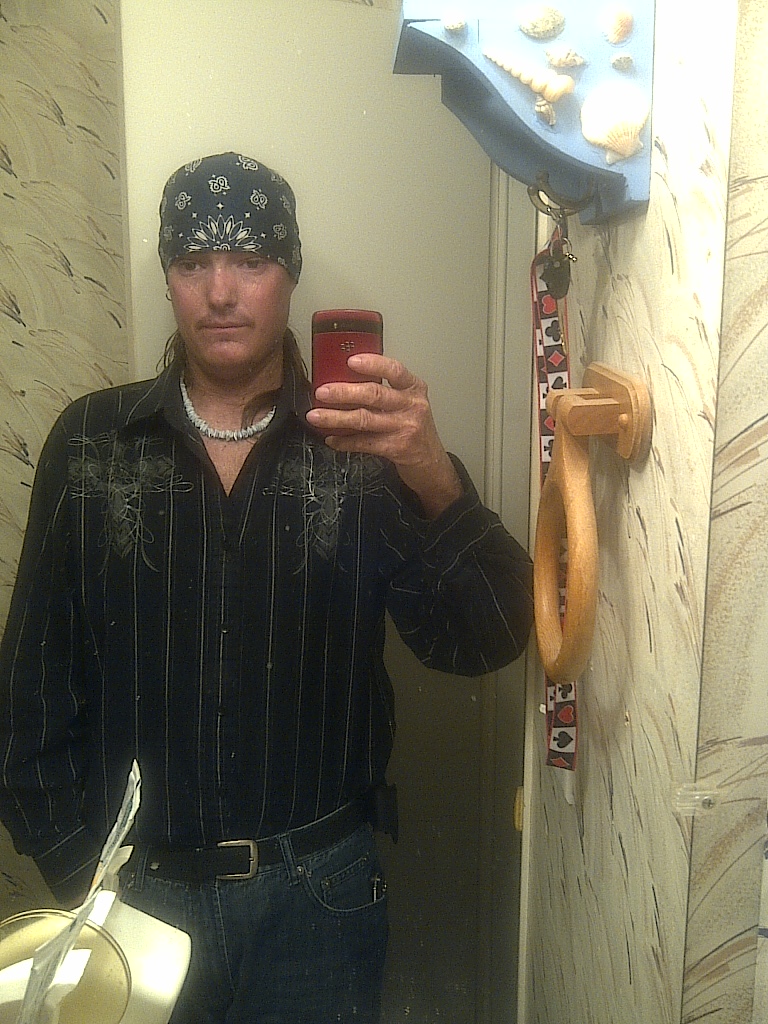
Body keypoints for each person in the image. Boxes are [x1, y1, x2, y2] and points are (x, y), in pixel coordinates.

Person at [0, 152, 533, 1023]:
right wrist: (80, 877)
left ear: (289, 275)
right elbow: (29, 689)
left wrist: (434, 474)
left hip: (320, 898)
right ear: (168, 278)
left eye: (250, 261)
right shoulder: (93, 444)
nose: (220, 292)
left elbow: (483, 640)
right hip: (134, 898)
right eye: (193, 262)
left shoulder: (365, 447)